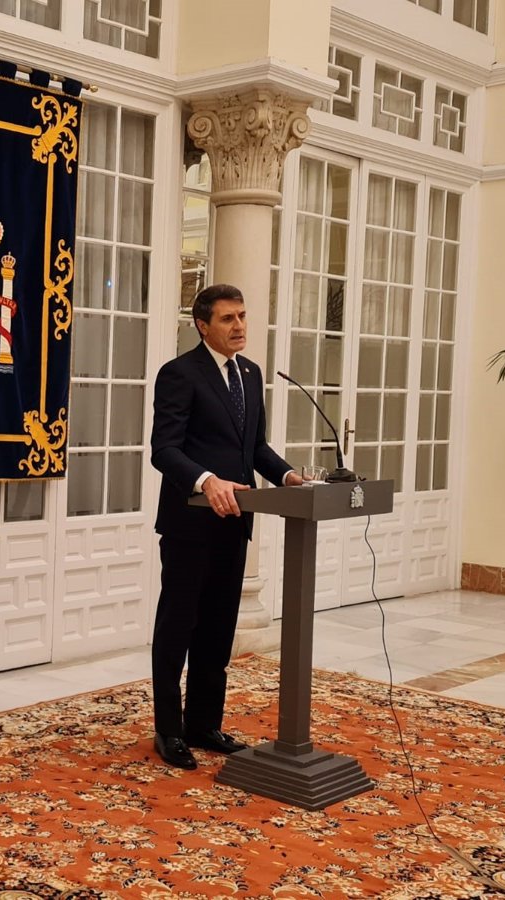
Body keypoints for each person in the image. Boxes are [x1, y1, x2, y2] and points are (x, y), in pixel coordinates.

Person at [149, 283, 302, 770]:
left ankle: (203, 724)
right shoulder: (179, 374)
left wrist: (288, 476)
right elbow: (164, 449)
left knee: (218, 629)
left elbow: (254, 448)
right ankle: (169, 730)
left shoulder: (250, 374)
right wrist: (206, 479)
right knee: (177, 628)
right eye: (228, 319)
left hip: (235, 523)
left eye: (242, 316)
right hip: (189, 524)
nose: (239, 326)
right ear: (203, 325)